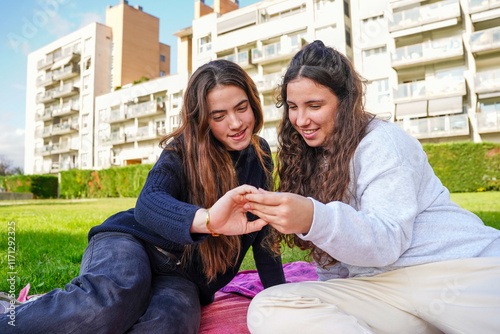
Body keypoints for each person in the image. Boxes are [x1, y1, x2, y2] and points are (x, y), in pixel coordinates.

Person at [0, 59, 285, 333]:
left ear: (253, 103)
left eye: (241, 108)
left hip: (183, 278)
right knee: (115, 299)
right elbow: (148, 202)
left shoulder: (260, 155)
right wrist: (208, 220)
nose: (235, 123)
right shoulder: (182, 149)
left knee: (169, 324)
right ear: (203, 119)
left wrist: (281, 301)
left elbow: (264, 232)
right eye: (219, 116)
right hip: (130, 241)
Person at [243, 40, 500, 334]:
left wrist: (313, 217)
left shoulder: (382, 142)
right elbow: (333, 265)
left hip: (454, 271)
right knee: (270, 307)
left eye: (314, 105)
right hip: (385, 292)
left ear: (346, 101)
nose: (301, 120)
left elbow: (387, 241)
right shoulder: (311, 158)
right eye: (292, 107)